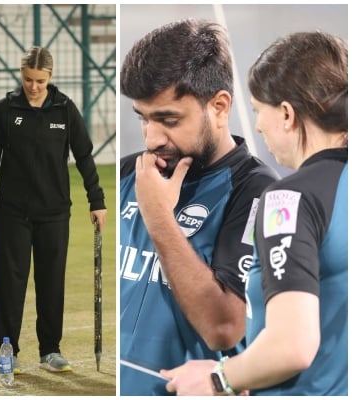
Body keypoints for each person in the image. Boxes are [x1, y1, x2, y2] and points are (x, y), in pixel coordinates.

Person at [162, 31, 348, 396]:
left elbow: (291, 346)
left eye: (257, 111)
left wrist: (221, 378)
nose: (258, 126)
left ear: (286, 114)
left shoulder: (288, 201)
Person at [118, 19, 279, 395]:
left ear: (219, 107)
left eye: (168, 119)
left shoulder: (257, 190)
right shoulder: (133, 171)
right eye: (143, 118)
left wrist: (158, 217)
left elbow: (223, 328)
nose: (152, 138)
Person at [0, 46, 107, 374]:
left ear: (50, 77)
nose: (33, 86)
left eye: (39, 80)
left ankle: (50, 350)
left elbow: (84, 156)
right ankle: (8, 350)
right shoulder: (5, 110)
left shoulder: (64, 110)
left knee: (51, 282)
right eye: (27, 79)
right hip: (12, 213)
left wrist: (97, 200)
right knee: (10, 284)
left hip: (54, 213)